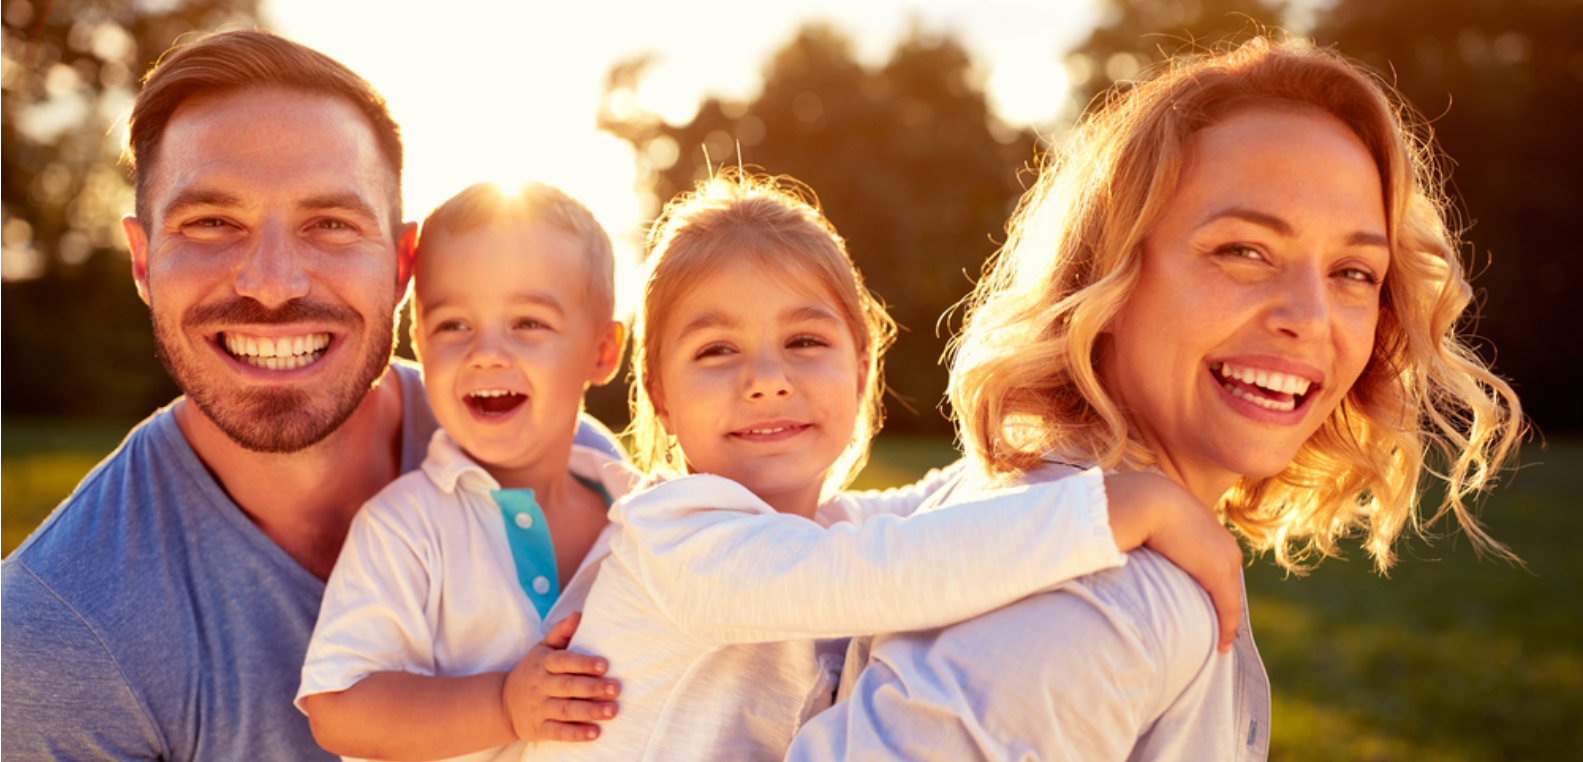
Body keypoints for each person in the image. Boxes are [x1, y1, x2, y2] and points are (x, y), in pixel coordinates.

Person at [786, 36, 1523, 762]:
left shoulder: (997, 510)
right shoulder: (1102, 600)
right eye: (1243, 251)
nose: (1310, 316)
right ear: (1105, 278)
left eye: (1353, 272)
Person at [0, 31, 618, 761]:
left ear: (401, 264)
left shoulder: (564, 455)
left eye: (329, 223)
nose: (272, 282)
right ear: (143, 260)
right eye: (211, 222)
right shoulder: (58, 633)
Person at [536, 172, 1245, 762]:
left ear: (861, 368)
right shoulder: (674, 537)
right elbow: (890, 566)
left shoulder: (822, 526)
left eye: (805, 340)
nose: (766, 378)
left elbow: (943, 499)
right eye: (716, 351)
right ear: (659, 396)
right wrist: (1119, 510)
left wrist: (1077, 450)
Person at [296, 182, 632, 762]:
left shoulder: (636, 510)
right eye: (453, 326)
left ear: (602, 352)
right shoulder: (406, 527)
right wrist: (503, 704)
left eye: (528, 323)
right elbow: (339, 708)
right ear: (418, 344)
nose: (486, 352)